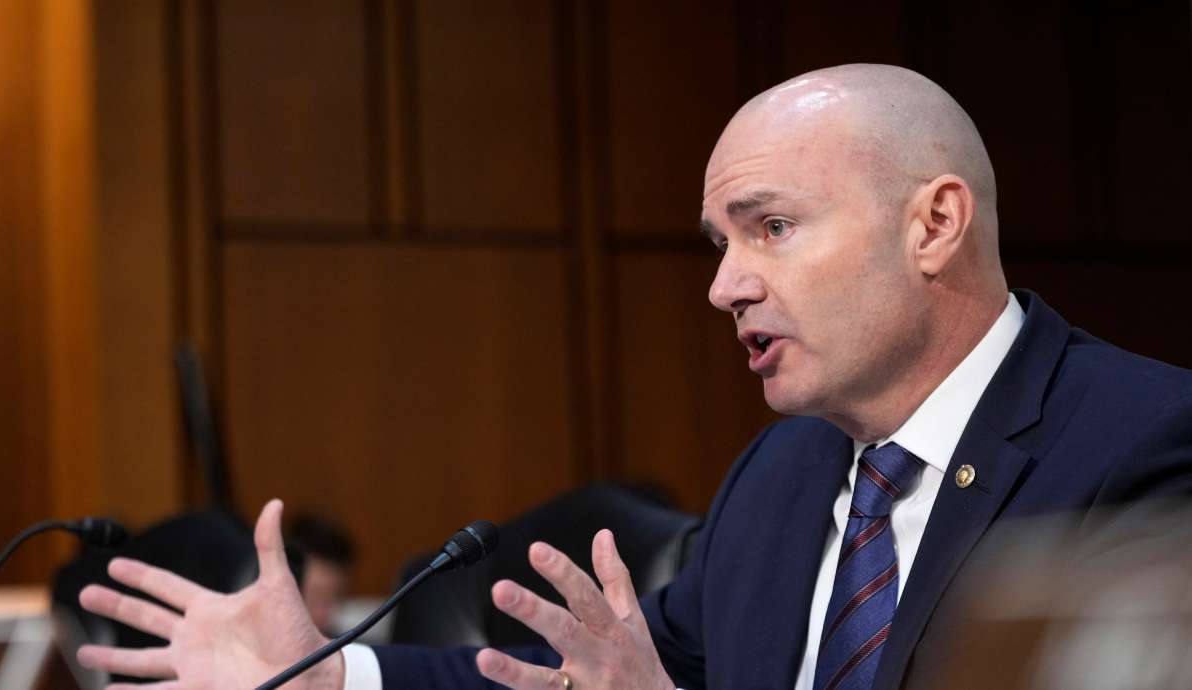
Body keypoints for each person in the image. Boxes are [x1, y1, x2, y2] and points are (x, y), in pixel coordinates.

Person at [73, 64, 1192, 690]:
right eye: (719, 244)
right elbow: (586, 677)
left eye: (770, 228)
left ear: (934, 224)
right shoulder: (785, 476)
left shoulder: (1146, 446)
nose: (725, 287)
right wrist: (333, 677)